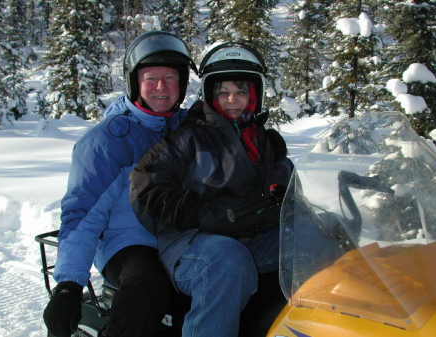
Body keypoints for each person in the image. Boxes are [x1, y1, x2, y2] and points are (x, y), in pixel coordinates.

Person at [130, 42, 293, 337]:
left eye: (241, 91)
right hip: (190, 242)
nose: (232, 99)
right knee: (226, 260)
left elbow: (286, 182)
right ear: (210, 95)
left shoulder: (264, 141)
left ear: (254, 94)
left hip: (248, 236)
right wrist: (202, 213)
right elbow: (145, 186)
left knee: (309, 246)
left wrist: (286, 195)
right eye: (223, 92)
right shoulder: (190, 137)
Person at [42, 31, 197, 337]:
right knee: (147, 284)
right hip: (127, 244)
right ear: (134, 82)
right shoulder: (107, 141)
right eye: (151, 78)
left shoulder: (191, 129)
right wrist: (69, 284)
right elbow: (82, 214)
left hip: (181, 239)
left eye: (170, 78)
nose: (161, 88)